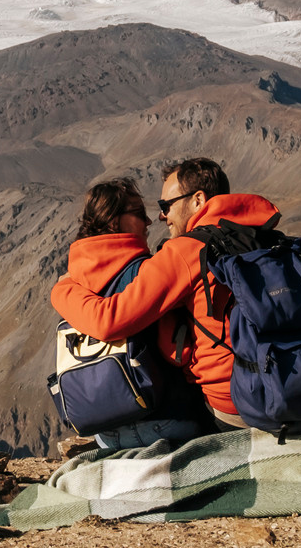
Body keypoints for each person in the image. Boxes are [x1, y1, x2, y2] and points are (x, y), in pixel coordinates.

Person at [50, 156, 282, 428]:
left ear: (198, 200)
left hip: (235, 400)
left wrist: (61, 288)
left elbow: (109, 320)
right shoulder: (264, 237)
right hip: (291, 378)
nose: (159, 217)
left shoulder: (184, 252)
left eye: (166, 206)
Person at [51, 176, 215, 451]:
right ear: (114, 221)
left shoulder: (73, 282)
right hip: (166, 420)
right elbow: (181, 351)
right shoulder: (150, 271)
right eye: (140, 214)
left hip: (105, 433)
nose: (150, 222)